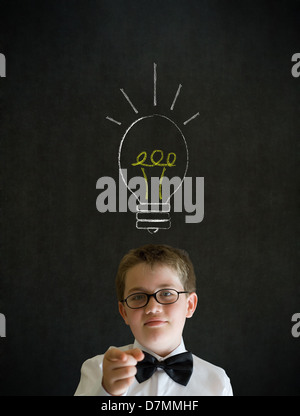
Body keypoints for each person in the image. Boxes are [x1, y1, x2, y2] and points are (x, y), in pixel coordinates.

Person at [74, 244, 233, 396]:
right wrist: (106, 392)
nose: (152, 308)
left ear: (190, 305)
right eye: (137, 297)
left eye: (166, 293)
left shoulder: (217, 381)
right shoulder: (98, 369)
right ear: (124, 312)